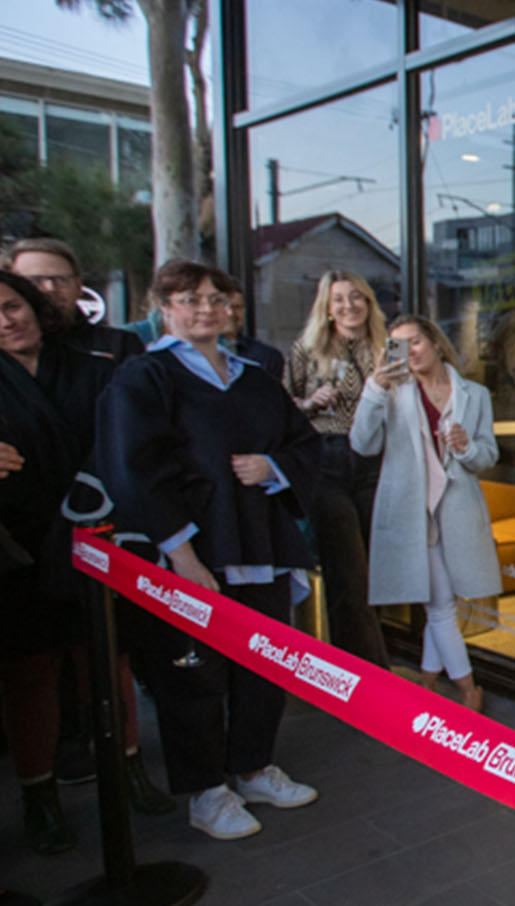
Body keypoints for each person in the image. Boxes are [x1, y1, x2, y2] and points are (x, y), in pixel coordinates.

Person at [93, 260, 325, 841]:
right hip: (191, 550)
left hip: (262, 544)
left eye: (216, 299)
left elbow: (304, 443)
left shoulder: (256, 377)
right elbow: (133, 469)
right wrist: (183, 557)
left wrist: (272, 466)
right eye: (189, 299)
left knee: (265, 661)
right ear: (163, 308)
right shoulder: (144, 377)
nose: (205, 309)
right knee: (193, 674)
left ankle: (253, 767)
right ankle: (206, 792)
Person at [0, 270, 170, 854]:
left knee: (108, 658)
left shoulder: (92, 365)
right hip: (19, 547)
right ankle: (39, 797)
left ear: (34, 306)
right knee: (32, 673)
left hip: (99, 536)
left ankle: (128, 770)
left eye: (12, 306)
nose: (6, 321)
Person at [350, 314, 500, 712]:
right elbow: (362, 444)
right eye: (398, 346)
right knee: (440, 605)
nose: (409, 353)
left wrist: (466, 447)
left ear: (434, 342)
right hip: (413, 514)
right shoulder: (392, 392)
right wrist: (374, 389)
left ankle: (428, 680)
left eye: (414, 342)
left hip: (457, 512)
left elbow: (487, 455)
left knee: (442, 601)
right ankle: (469, 689)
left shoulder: (474, 394)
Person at [286, 270, 390, 668]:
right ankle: (369, 677)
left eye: (357, 297)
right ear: (327, 308)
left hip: (378, 461)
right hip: (327, 461)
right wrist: (310, 402)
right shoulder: (306, 350)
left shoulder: (386, 347)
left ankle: (364, 666)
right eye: (339, 299)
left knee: (375, 574)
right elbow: (282, 410)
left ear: (368, 302)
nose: (349, 306)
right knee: (348, 574)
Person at [1, 237, 142, 365]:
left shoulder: (119, 344)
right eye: (35, 281)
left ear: (78, 286)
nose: (50, 288)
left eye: (60, 280)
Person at [224, 287, 285, 381]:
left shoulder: (267, 357)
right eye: (224, 307)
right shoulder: (200, 356)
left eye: (237, 307)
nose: (231, 313)